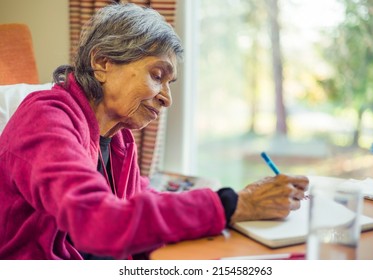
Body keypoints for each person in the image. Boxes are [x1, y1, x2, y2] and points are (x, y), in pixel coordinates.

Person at [0, 3, 309, 260]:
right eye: (157, 75)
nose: (167, 98)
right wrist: (233, 204)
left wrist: (238, 199)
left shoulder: (118, 138)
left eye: (169, 83)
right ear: (102, 62)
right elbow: (100, 221)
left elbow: (138, 203)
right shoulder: (46, 119)